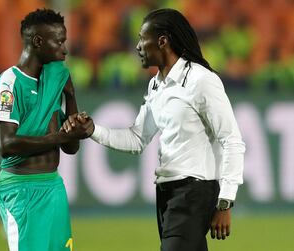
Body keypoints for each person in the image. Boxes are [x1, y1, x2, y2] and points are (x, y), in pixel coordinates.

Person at [62, 8, 246, 251]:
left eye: (142, 38)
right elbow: (137, 138)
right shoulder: (156, 85)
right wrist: (93, 130)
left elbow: (231, 140)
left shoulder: (201, 80)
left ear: (162, 41)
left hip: (194, 191)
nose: (137, 46)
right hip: (166, 193)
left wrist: (225, 202)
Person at [0, 8, 91, 251]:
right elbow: (6, 145)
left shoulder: (56, 80)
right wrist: (59, 136)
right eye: (59, 41)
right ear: (38, 41)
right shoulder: (9, 83)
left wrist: (71, 97)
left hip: (53, 186)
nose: (64, 50)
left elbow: (71, 147)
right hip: (20, 190)